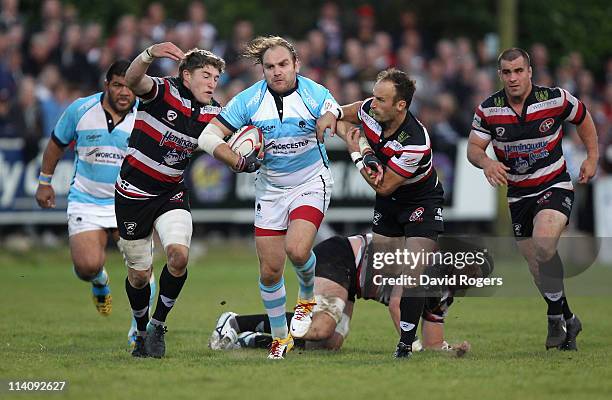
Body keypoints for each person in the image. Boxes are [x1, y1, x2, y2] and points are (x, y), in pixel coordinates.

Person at [198, 36, 341, 359]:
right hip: (271, 189)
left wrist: (329, 119)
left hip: (310, 181)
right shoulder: (248, 101)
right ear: (262, 70)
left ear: (296, 65)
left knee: (297, 248)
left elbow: (332, 109)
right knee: (270, 270)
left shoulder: (313, 93)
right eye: (269, 67)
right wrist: (233, 158)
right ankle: (281, 338)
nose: (276, 72)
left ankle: (306, 294)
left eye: (282, 65)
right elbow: (208, 136)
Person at [467, 48, 598, 351]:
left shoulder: (555, 99)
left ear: (529, 72)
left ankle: (554, 316)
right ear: (500, 75)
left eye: (518, 71)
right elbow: (474, 148)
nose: (513, 78)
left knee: (543, 243)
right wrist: (487, 163)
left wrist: (592, 156)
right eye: (506, 72)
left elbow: (583, 118)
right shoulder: (488, 109)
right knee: (537, 267)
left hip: (555, 184)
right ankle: (568, 318)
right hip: (519, 194)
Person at [116, 42, 225, 358]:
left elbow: (229, 143)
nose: (212, 83)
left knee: (178, 256)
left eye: (216, 78)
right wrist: (149, 54)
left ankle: (158, 325)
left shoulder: (214, 113)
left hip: (170, 194)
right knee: (139, 275)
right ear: (186, 75)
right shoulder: (162, 92)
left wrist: (245, 158)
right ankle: (139, 331)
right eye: (206, 75)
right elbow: (134, 80)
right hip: (132, 195)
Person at [209, 233, 483, 357]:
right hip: (342, 257)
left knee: (328, 344)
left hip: (356, 282)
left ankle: (251, 340)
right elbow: (398, 304)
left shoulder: (446, 292)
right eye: (471, 271)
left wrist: (451, 352)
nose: (471, 280)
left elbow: (434, 342)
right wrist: (410, 344)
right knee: (320, 328)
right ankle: (234, 322)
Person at [336, 68, 445, 359]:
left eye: (381, 99)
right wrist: (330, 118)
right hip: (390, 205)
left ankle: (405, 344)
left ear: (400, 105)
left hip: (420, 200)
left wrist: (357, 152)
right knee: (385, 270)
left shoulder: (415, 142)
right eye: (373, 96)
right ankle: (427, 288)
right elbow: (342, 114)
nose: (373, 103)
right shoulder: (371, 110)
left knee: (411, 272)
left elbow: (383, 186)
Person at [35, 60, 137, 317]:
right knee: (87, 267)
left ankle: (141, 331)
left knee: (141, 271)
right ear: (107, 85)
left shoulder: (146, 114)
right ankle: (99, 281)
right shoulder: (80, 109)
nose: (124, 92)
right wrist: (45, 182)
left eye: (129, 86)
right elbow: (56, 144)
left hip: (129, 201)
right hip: (87, 199)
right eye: (117, 85)